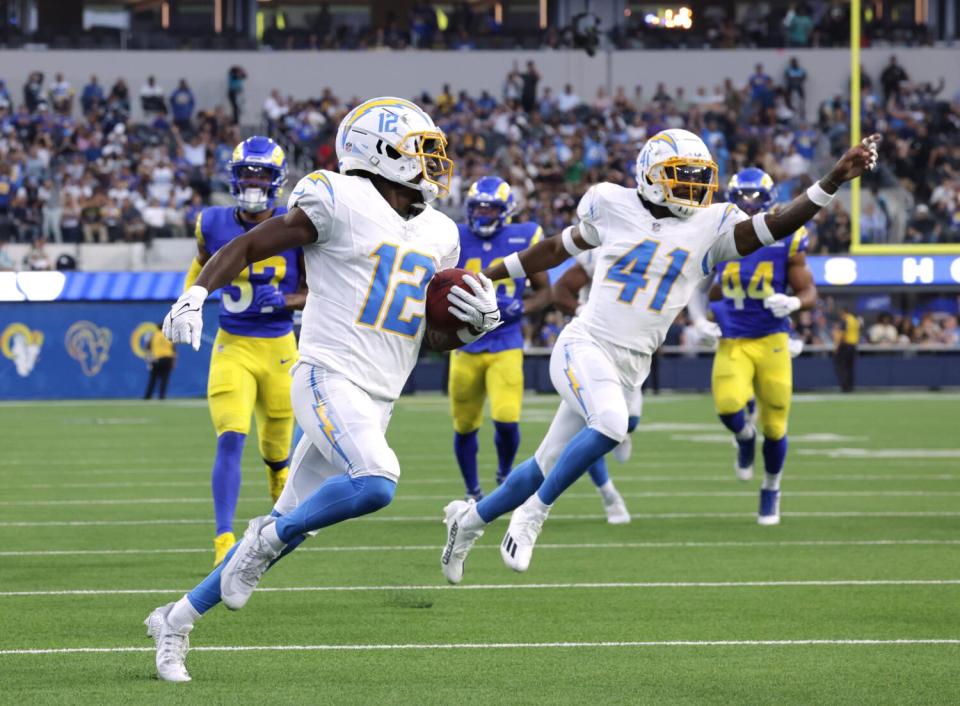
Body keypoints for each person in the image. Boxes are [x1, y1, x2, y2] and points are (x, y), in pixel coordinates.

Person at [146, 97, 501, 682]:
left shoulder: (441, 233)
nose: (435, 164)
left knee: (293, 523)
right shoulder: (340, 197)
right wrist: (197, 293)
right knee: (378, 481)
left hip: (379, 397)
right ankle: (264, 539)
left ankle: (175, 620)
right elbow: (249, 245)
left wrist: (468, 326)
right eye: (422, 152)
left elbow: (430, 337)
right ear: (381, 153)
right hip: (326, 375)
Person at [439, 128, 880, 583]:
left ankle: (468, 522)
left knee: (544, 465)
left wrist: (832, 180)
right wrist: (490, 274)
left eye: (698, 176)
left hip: (630, 366)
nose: (692, 185)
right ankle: (533, 516)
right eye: (680, 175)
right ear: (649, 175)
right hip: (584, 344)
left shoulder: (714, 225)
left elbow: (780, 222)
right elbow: (555, 248)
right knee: (609, 425)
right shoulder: (610, 203)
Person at [180, 136, 305, 567]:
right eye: (246, 173)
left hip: (280, 349)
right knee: (231, 438)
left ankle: (279, 515)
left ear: (276, 180)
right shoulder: (212, 222)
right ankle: (223, 540)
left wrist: (287, 302)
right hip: (232, 345)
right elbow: (202, 263)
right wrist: (189, 299)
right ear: (234, 178)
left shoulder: (297, 226)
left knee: (277, 455)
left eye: (261, 174)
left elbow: (316, 290)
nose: (253, 181)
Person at [689, 168, 817, 524]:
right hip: (733, 337)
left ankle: (772, 487)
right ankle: (745, 438)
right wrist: (699, 319)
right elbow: (697, 287)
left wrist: (793, 303)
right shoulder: (716, 232)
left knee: (775, 424)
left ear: (769, 198)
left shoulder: (787, 235)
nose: (748, 203)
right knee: (729, 406)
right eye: (742, 196)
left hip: (772, 338)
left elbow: (808, 290)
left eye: (755, 196)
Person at [450, 176, 551, 501]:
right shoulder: (455, 237)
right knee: (465, 424)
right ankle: (471, 490)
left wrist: (522, 307)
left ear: (505, 211)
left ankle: (505, 473)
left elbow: (545, 291)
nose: (482, 213)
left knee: (506, 418)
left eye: (489, 208)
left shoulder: (523, 236)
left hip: (506, 340)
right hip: (464, 342)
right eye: (477, 207)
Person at [551, 248, 634, 524]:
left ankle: (625, 431)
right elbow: (561, 288)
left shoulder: (655, 245)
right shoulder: (597, 251)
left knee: (629, 421)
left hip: (631, 347)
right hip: (592, 346)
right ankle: (610, 495)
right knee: (595, 426)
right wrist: (578, 308)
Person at [144, 323, 176, 399]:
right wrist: (174, 362)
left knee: (153, 379)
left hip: (157, 359)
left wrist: (149, 359)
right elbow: (174, 350)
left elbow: (148, 348)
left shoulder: (154, 335)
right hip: (168, 359)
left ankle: (148, 396)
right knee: (164, 379)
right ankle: (162, 396)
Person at [833, 305, 860, 392]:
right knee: (850, 367)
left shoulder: (845, 320)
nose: (840, 314)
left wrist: (837, 346)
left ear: (844, 312)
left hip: (846, 345)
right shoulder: (854, 320)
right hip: (853, 345)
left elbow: (842, 333)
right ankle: (851, 386)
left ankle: (845, 387)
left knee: (843, 367)